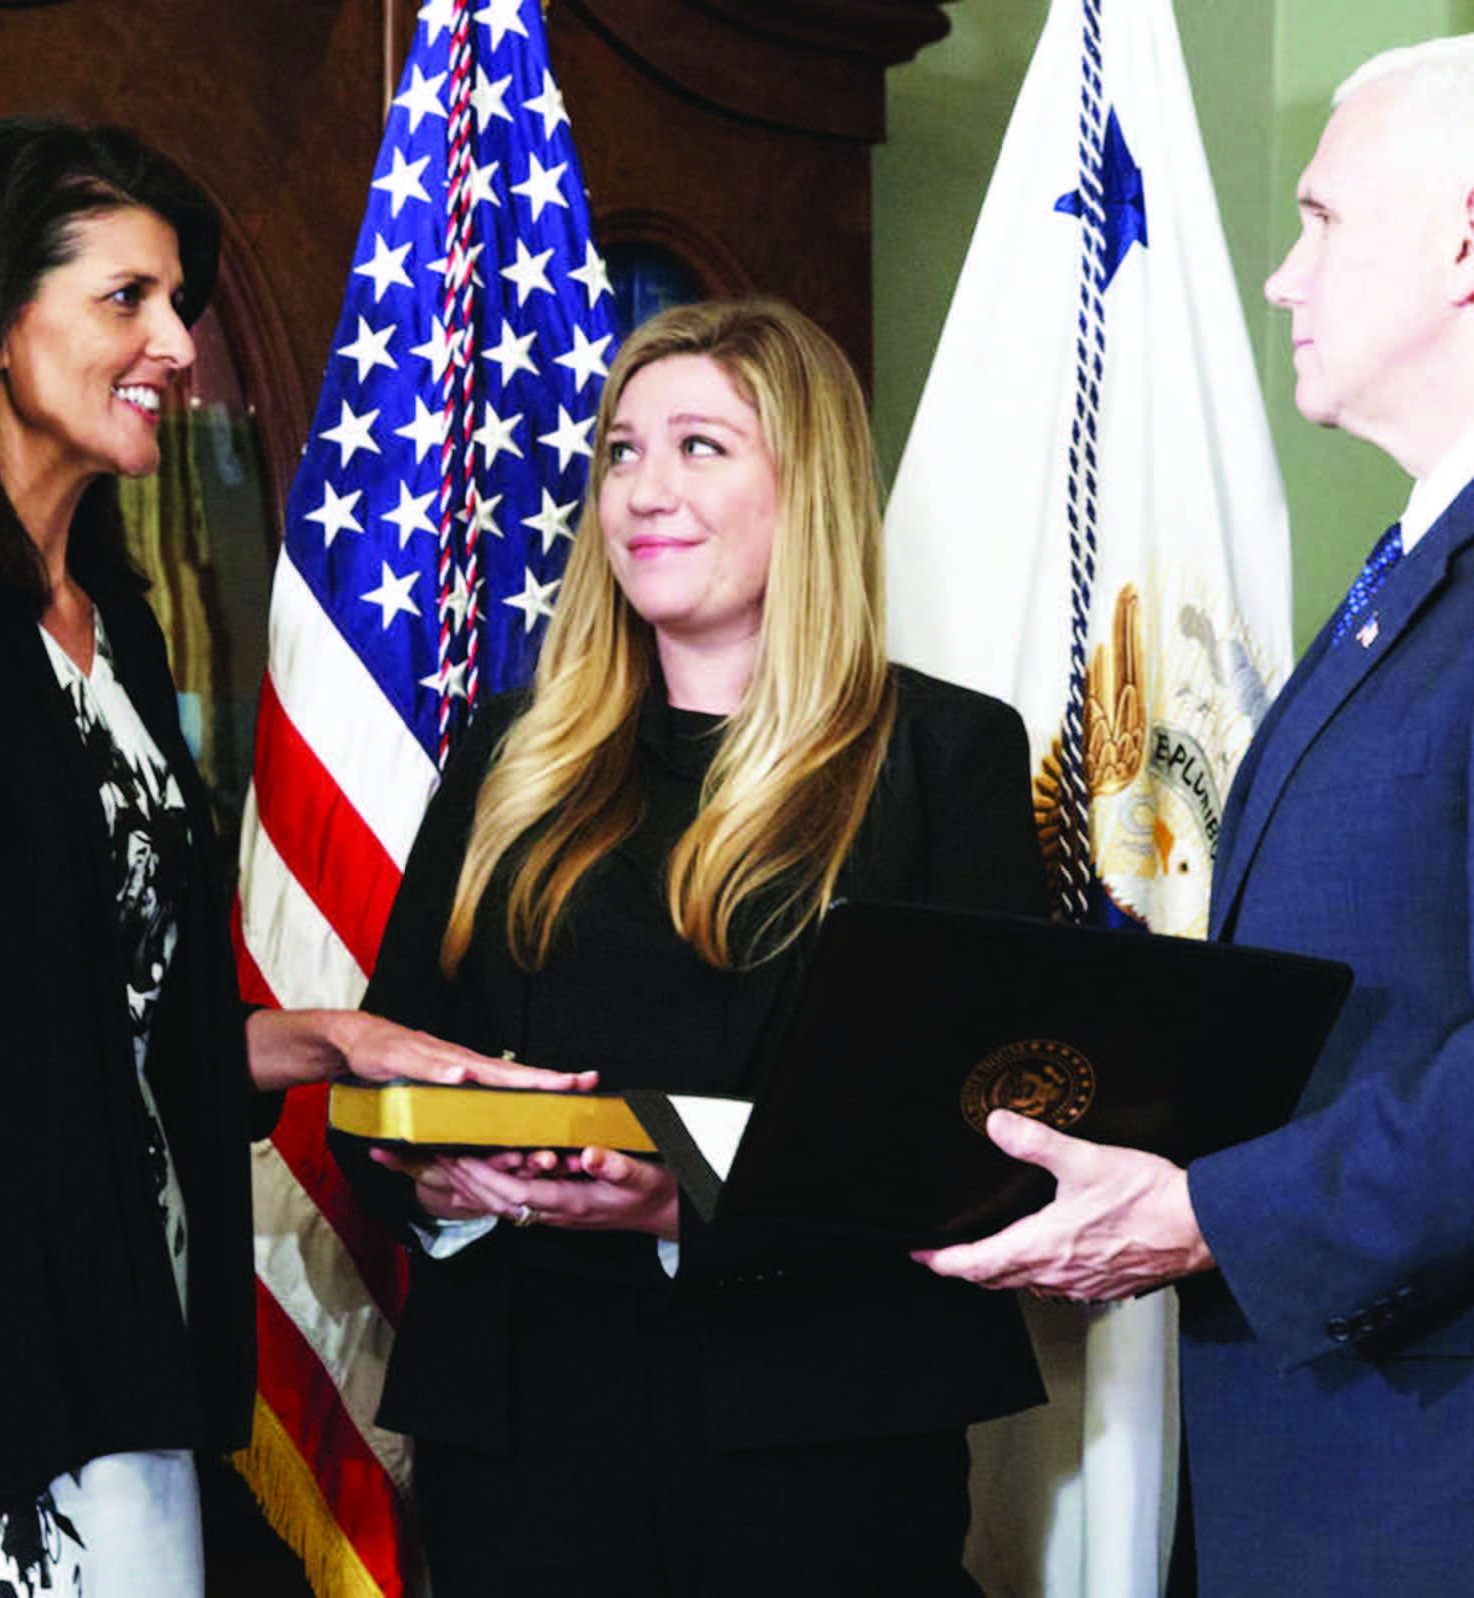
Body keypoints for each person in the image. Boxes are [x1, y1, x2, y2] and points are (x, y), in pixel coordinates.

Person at [920, 31, 1474, 1595]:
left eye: (1325, 218)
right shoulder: (1469, 550)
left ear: (1472, 238)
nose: (1283, 275)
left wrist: (1203, 1212)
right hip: (1369, 1479)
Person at [0, 116, 575, 1595]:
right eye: (128, 297)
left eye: (180, 301)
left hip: (127, 1327)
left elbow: (114, 1016)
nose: (178, 344)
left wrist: (336, 1040)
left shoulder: (116, 623)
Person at [339, 298, 1045, 1597]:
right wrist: (427, 1180)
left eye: (701, 447)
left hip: (822, 1450)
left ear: (807, 484)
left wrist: (692, 1202)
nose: (644, 490)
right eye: (621, 451)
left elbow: (987, 1137)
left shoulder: (944, 759)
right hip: (522, 1449)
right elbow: (382, 1070)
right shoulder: (510, 756)